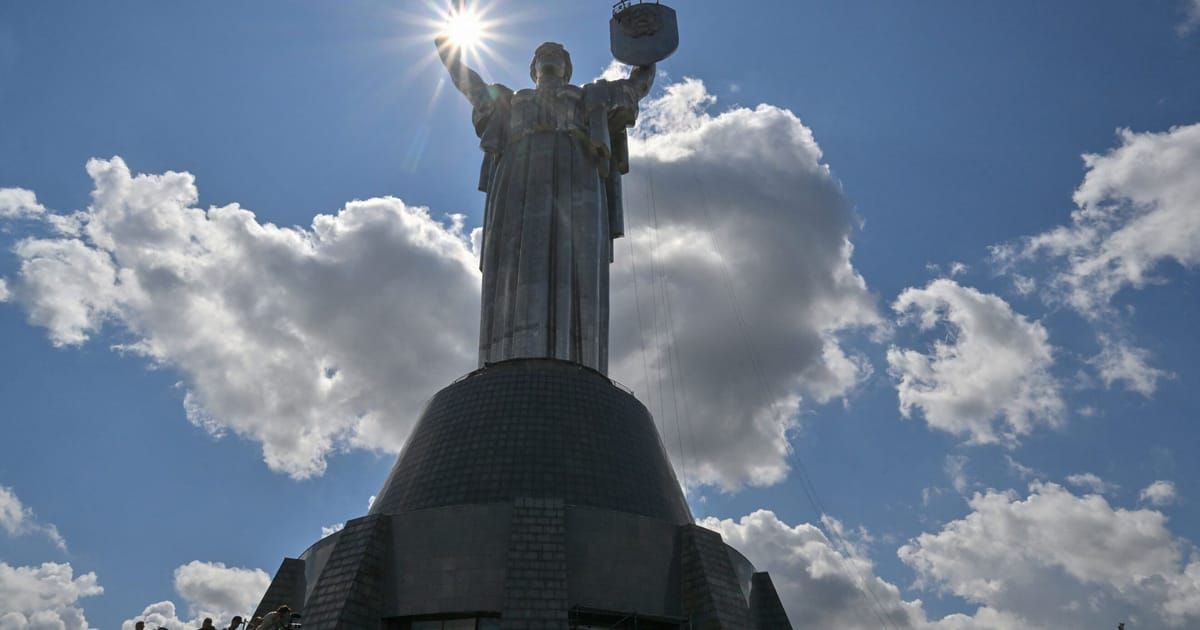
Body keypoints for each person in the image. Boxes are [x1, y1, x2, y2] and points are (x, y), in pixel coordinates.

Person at [435, 34, 656, 375]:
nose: (550, 59)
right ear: (533, 68)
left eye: (557, 56)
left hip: (577, 176)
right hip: (517, 182)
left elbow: (635, 86)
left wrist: (649, 51)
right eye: (543, 55)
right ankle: (506, 359)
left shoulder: (589, 96)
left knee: (577, 257)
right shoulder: (511, 102)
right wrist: (449, 55)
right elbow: (472, 87)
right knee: (515, 259)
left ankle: (578, 362)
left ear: (567, 70)